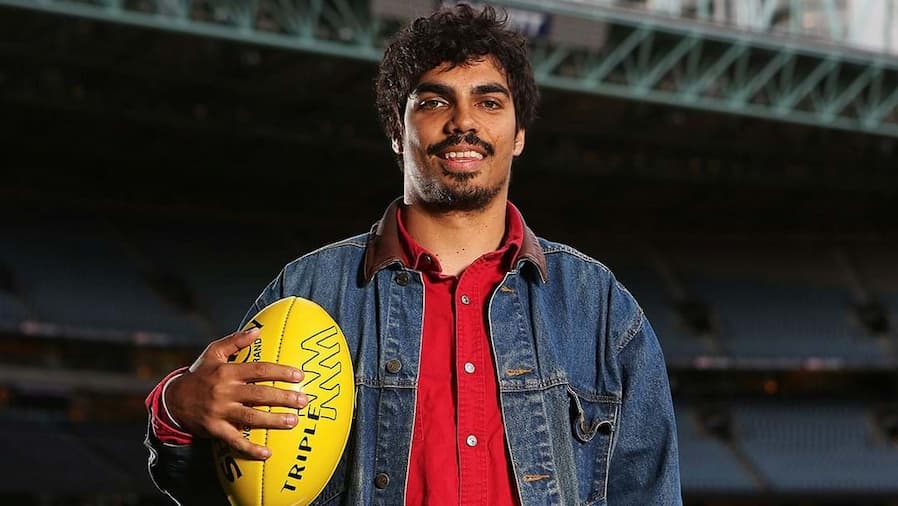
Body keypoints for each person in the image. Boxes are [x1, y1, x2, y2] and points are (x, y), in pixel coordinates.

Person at [144, 4, 681, 504]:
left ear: (518, 134)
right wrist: (177, 409)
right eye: (434, 101)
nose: (463, 122)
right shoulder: (307, 293)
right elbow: (231, 489)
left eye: (489, 102)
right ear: (397, 132)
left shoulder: (602, 310)